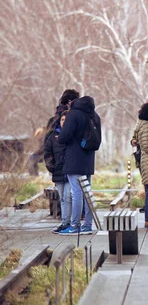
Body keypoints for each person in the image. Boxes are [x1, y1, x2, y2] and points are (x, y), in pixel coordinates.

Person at [58, 96, 101, 235]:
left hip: (74, 159)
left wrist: (61, 137)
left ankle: (75, 225)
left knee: (76, 193)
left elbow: (64, 136)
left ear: (71, 103)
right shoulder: (95, 115)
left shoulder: (74, 114)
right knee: (87, 192)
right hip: (88, 158)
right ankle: (87, 225)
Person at [44, 110, 72, 233]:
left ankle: (69, 222)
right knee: (62, 198)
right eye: (62, 120)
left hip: (71, 171)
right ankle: (64, 222)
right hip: (58, 172)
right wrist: (52, 167)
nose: (63, 122)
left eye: (66, 120)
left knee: (68, 196)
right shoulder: (53, 137)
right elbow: (47, 153)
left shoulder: (73, 135)